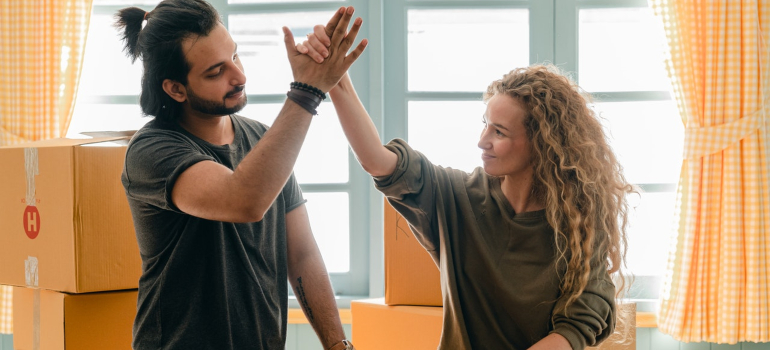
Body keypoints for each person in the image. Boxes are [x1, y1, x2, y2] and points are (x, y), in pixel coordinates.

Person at [299, 16, 634, 350]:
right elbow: (377, 160)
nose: (482, 141)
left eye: (499, 132)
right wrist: (336, 78)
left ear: (543, 144)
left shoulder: (578, 220)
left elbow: (579, 322)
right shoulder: (456, 197)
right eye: (485, 124)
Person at [115, 1, 365, 349]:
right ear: (175, 89)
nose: (240, 76)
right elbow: (243, 201)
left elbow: (302, 254)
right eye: (216, 72)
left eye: (236, 56)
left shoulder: (264, 140)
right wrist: (307, 92)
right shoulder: (151, 151)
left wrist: (338, 345)